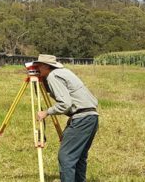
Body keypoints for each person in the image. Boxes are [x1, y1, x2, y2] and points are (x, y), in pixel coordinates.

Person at [33, 54, 99, 182]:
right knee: (79, 157)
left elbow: (65, 104)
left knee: (66, 157)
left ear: (46, 66)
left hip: (81, 118)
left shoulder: (53, 76)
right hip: (91, 117)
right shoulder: (64, 72)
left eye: (39, 65)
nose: (37, 68)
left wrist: (47, 112)